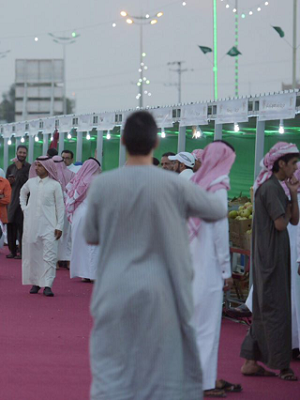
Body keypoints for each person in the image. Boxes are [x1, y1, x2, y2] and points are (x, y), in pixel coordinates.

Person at [83, 111, 227, 400]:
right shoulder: (176, 185)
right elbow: (218, 210)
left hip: (114, 289)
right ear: (157, 142)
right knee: (160, 371)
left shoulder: (102, 184)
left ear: (122, 141)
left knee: (111, 369)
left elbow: (91, 235)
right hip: (161, 293)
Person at [240, 142, 300, 381]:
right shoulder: (271, 188)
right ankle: (282, 364)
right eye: (293, 163)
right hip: (270, 259)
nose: (296, 168)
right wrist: (289, 203)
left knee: (267, 311)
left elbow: (294, 221)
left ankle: (250, 361)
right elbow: (281, 224)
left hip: (274, 257)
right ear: (281, 164)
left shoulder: (280, 188)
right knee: (276, 312)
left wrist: (293, 195)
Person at [188, 141, 240, 397]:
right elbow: (221, 233)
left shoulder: (194, 183)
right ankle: (204, 383)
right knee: (208, 327)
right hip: (208, 268)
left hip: (188, 265)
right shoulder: (217, 188)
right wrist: (226, 271)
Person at [20, 156, 64, 297]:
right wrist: (24, 208)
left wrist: (60, 226)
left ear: (47, 168)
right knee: (35, 255)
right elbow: (22, 193)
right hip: (33, 225)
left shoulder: (55, 185)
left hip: (50, 226)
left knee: (49, 256)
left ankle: (48, 285)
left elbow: (60, 207)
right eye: (36, 165)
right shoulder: (31, 182)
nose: (36, 168)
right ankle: (36, 282)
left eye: (39, 165)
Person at [66, 158, 102, 282]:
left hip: (78, 215)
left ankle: (83, 273)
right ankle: (93, 274)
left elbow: (70, 197)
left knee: (80, 245)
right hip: (92, 214)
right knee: (93, 246)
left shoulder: (78, 180)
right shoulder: (96, 180)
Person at [6, 145, 30, 259]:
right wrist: (10, 181)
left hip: (24, 201)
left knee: (23, 228)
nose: (22, 154)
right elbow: (6, 183)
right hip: (12, 200)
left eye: (24, 153)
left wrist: (20, 170)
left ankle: (22, 251)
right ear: (16, 153)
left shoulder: (30, 167)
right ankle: (12, 251)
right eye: (20, 152)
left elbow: (27, 183)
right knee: (11, 226)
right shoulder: (11, 167)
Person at [52, 155, 75, 269]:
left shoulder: (50, 175)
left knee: (55, 234)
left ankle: (55, 261)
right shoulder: (71, 174)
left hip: (57, 209)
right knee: (67, 235)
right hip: (67, 208)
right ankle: (67, 260)